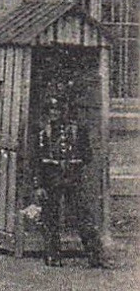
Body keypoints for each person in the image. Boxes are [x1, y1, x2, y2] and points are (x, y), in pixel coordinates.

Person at [36, 94, 104, 268]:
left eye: (58, 109)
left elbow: (87, 155)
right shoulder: (44, 132)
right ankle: (52, 254)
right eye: (51, 109)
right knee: (51, 216)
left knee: (82, 216)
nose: (55, 113)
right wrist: (39, 185)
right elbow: (37, 161)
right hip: (52, 179)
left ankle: (94, 254)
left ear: (65, 111)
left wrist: (75, 163)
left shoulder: (77, 131)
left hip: (73, 178)